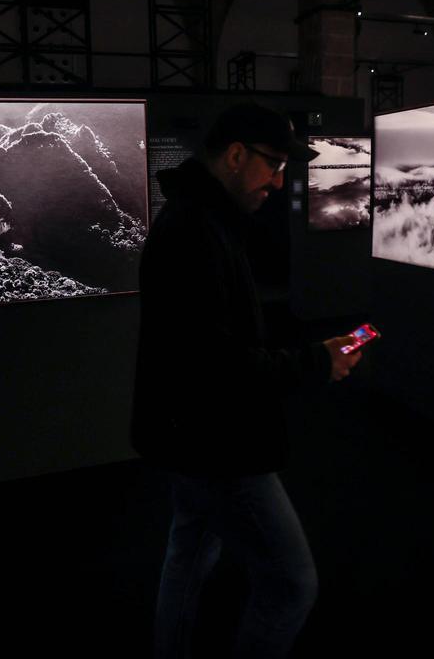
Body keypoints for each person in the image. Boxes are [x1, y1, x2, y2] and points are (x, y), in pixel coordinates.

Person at [131, 103, 363, 658]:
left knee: (190, 553)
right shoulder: (194, 231)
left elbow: (211, 349)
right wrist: (316, 361)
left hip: (187, 433)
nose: (281, 182)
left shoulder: (201, 220)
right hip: (217, 444)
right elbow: (218, 367)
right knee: (290, 584)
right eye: (273, 164)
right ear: (235, 155)